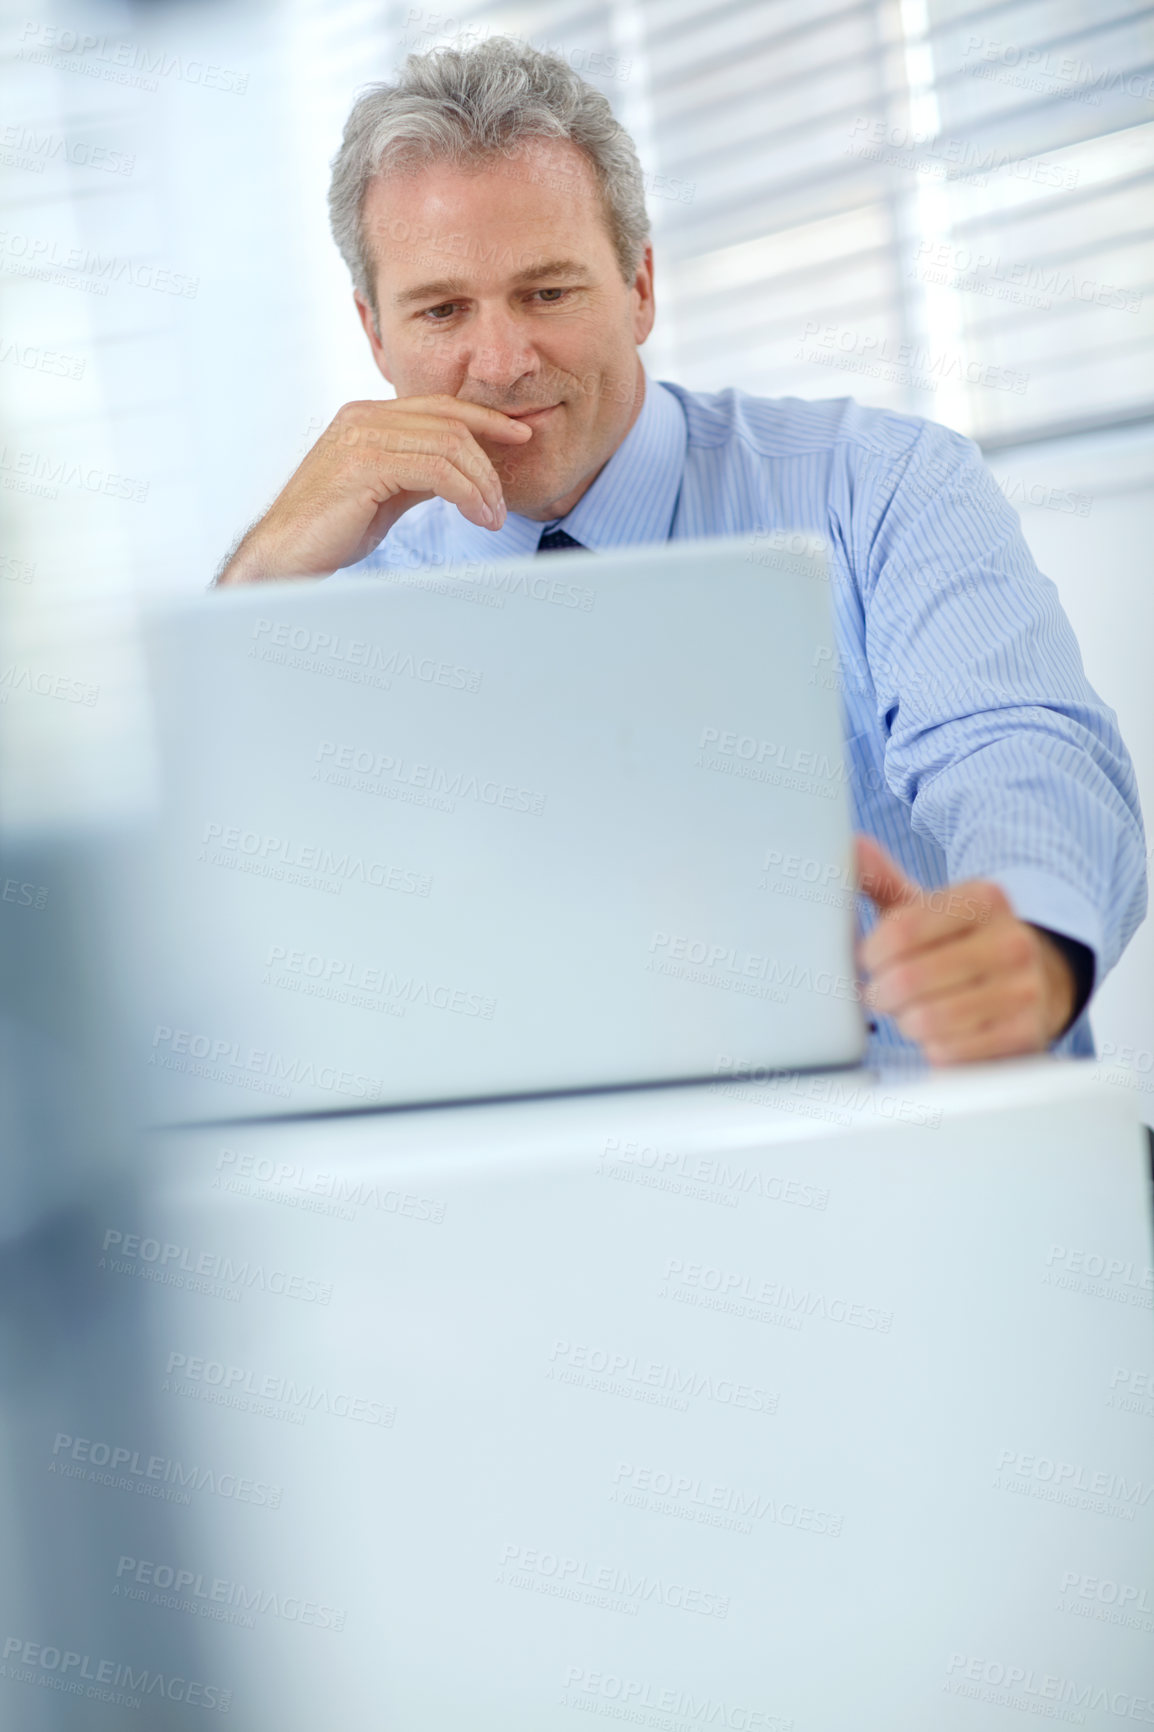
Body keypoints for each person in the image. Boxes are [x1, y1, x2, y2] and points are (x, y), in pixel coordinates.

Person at [215, 37, 1146, 1069]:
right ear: (374, 335)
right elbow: (234, 925)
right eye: (441, 310)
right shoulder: (334, 601)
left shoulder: (879, 484)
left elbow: (1017, 747)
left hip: (919, 1144)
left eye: (548, 293)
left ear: (640, 285)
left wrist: (1029, 934)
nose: (503, 361)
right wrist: (256, 586)